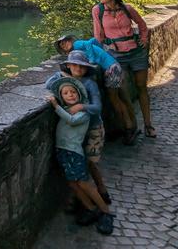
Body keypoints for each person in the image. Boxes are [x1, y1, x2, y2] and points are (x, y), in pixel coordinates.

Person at [47, 76, 114, 235]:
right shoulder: (67, 108)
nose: (70, 95)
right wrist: (60, 75)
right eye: (65, 93)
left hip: (74, 152)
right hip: (62, 150)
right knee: (72, 183)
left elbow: (71, 120)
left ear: (80, 95)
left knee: (83, 183)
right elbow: (50, 83)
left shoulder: (83, 112)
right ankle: (91, 209)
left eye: (73, 92)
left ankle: (106, 212)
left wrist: (56, 106)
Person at [92, 0, 156, 139]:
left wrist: (143, 39)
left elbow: (142, 25)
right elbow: (98, 35)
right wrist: (101, 49)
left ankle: (148, 125)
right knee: (121, 90)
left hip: (136, 52)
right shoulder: (98, 10)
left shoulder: (127, 8)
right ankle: (130, 126)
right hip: (116, 54)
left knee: (141, 87)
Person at [46, 51, 110, 203]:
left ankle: (102, 190)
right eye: (74, 65)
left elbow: (97, 107)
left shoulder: (90, 83)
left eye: (82, 66)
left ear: (86, 68)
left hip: (93, 128)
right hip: (76, 131)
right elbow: (48, 85)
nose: (78, 68)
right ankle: (82, 199)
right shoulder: (67, 80)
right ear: (69, 65)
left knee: (89, 162)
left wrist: (81, 106)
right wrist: (61, 74)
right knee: (80, 165)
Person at [54, 34, 137, 146]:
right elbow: (95, 40)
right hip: (113, 66)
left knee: (115, 100)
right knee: (119, 99)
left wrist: (92, 59)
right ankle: (127, 126)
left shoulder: (77, 44)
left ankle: (128, 128)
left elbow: (90, 42)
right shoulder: (78, 49)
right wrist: (101, 53)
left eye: (65, 42)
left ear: (70, 40)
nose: (64, 45)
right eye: (62, 45)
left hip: (111, 68)